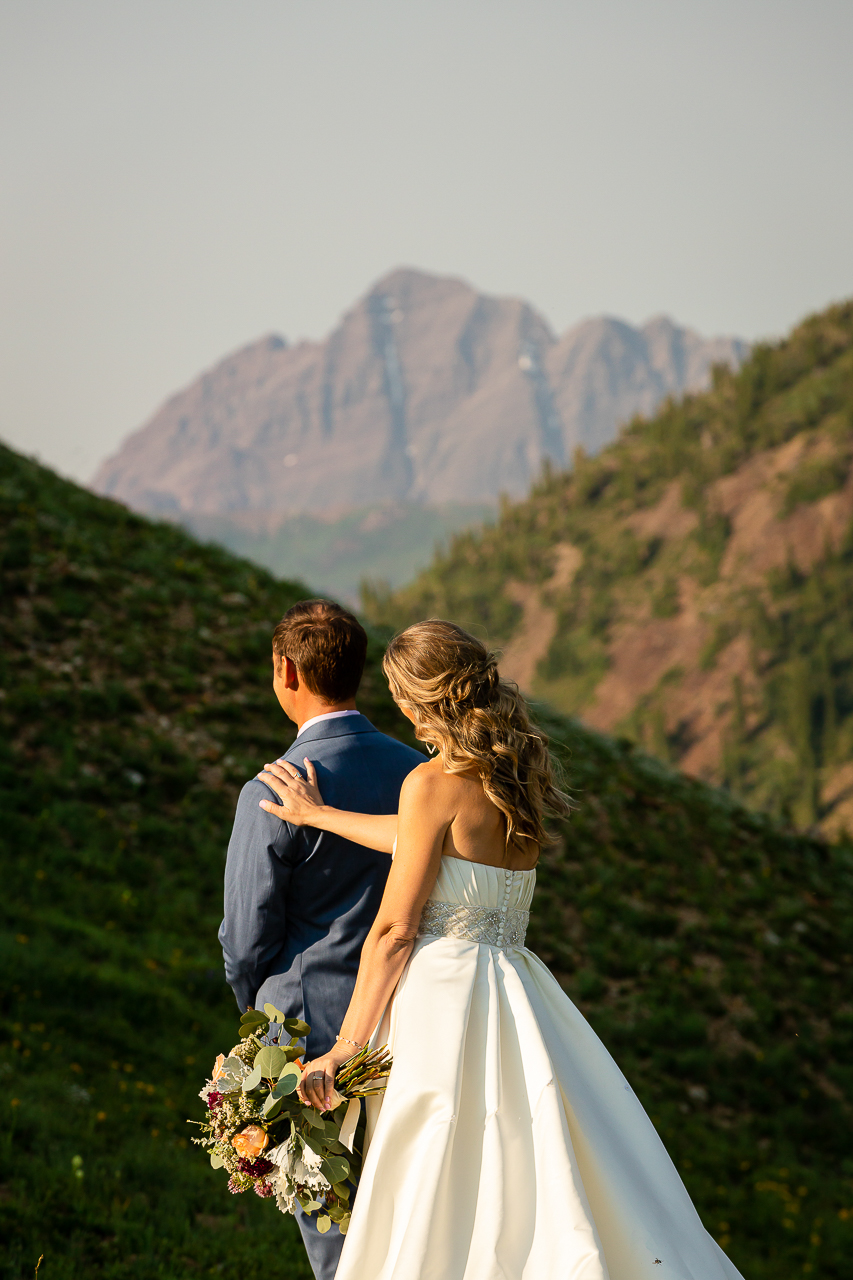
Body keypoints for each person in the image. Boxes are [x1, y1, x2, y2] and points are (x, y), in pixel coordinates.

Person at [256, 619, 746, 1280]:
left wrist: (346, 1045)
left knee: (441, 1170)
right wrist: (320, 816)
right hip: (513, 985)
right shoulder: (514, 776)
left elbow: (394, 930)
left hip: (443, 1002)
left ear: (409, 701)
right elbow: (428, 839)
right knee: (526, 1166)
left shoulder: (431, 782)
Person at [218, 598, 424, 1280]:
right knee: (413, 1209)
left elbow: (246, 932)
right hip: (419, 1013)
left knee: (334, 1227)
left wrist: (262, 1021)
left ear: (285, 671)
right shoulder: (419, 776)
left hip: (308, 1034)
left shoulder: (272, 789)